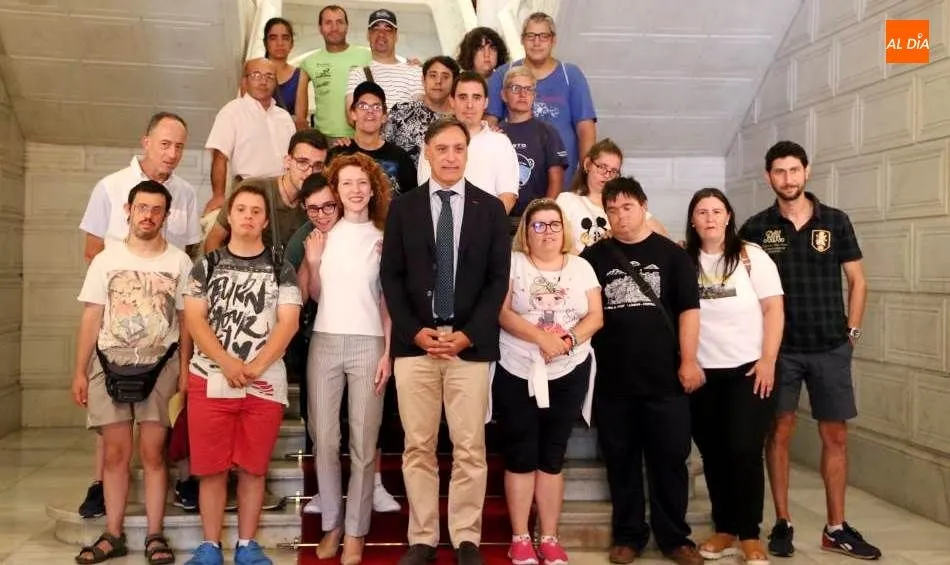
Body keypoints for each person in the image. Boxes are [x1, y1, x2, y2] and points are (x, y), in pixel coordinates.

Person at [380, 117, 511, 565]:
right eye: (443, 149)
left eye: (459, 148)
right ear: (427, 152)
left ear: (467, 152)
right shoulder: (404, 208)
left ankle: (466, 538)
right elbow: (390, 278)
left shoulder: (491, 209)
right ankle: (422, 538)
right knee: (417, 446)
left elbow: (498, 281)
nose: (451, 157)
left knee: (469, 447)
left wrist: (467, 334)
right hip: (415, 345)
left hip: (468, 347)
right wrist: (414, 330)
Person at [739, 141, 877, 560]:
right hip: (779, 351)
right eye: (779, 172)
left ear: (807, 171)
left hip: (830, 348)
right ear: (769, 177)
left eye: (794, 170)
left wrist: (851, 334)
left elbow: (858, 281)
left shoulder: (835, 221)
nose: (788, 179)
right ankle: (783, 522)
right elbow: (741, 288)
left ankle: (835, 527)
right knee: (778, 433)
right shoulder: (756, 228)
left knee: (835, 435)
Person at [77, 111, 201, 520]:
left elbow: (191, 255)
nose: (172, 153)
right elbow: (92, 249)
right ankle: (100, 487)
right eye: (165, 144)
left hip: (165, 336)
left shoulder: (184, 192)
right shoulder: (110, 187)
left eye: (180, 146)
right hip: (117, 322)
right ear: (146, 142)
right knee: (112, 429)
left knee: (157, 432)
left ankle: (170, 494)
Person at [580, 177, 703, 565]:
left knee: (670, 461)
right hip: (614, 382)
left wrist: (688, 359)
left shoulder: (673, 256)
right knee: (621, 462)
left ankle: (675, 538)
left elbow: (689, 312)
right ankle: (629, 536)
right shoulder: (593, 259)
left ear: (643, 206)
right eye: (611, 210)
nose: (619, 216)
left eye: (627, 207)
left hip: (666, 380)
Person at [71, 180, 193, 565]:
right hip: (108, 364)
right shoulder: (106, 259)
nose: (148, 215)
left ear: (166, 215)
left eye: (157, 209)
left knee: (154, 454)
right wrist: (79, 370)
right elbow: (91, 315)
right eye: (142, 207)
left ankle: (155, 534)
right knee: (116, 454)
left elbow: (187, 320)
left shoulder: (179, 262)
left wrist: (186, 369)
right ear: (128, 209)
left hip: (162, 366)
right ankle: (114, 533)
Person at [182, 185, 302, 565]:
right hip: (209, 376)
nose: (248, 216)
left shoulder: (280, 266)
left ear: (265, 221)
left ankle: (248, 545)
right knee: (212, 468)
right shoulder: (207, 264)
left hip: (263, 381)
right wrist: (227, 363)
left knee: (253, 466)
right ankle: (210, 546)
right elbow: (195, 319)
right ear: (229, 217)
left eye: (256, 211)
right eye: (241, 210)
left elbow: (288, 323)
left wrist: (254, 366)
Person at [496, 198, 603, 565]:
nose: (546, 232)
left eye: (553, 224)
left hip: (568, 369)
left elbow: (595, 315)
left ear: (564, 229)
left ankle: (550, 536)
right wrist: (540, 338)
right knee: (522, 452)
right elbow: (503, 311)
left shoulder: (582, 266)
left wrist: (566, 341)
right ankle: (520, 537)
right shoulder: (514, 264)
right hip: (518, 368)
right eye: (537, 225)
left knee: (553, 454)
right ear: (526, 230)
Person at [684, 188, 784, 565]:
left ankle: (749, 533)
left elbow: (774, 308)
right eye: (702, 212)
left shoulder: (752, 257)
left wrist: (769, 360)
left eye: (717, 211)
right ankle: (724, 527)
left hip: (749, 371)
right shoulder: (685, 260)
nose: (710, 218)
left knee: (744, 451)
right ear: (693, 220)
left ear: (728, 217)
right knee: (713, 453)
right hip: (702, 375)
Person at [305, 153, 392, 564]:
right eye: (346, 183)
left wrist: (388, 354)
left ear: (372, 188)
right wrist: (315, 262)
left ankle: (356, 531)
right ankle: (331, 525)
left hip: (369, 343)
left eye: (362, 182)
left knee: (363, 442)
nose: (355, 190)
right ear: (335, 191)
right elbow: (316, 296)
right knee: (324, 438)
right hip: (324, 342)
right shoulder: (322, 233)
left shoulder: (384, 237)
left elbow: (389, 303)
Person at [486, 12, 597, 190]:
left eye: (543, 36)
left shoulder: (571, 75)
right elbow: (489, 123)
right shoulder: (503, 74)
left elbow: (586, 128)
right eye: (531, 36)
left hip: (564, 184)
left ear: (553, 40)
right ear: (522, 40)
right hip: (511, 184)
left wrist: (586, 176)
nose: (536, 43)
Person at [204, 129, 328, 253]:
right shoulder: (253, 189)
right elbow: (214, 240)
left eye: (317, 166)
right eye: (302, 162)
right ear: (287, 161)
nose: (309, 172)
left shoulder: (316, 205)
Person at [204, 57, 297, 214]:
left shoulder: (284, 117)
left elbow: (295, 157)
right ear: (245, 81)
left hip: (284, 192)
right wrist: (218, 195)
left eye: (269, 76)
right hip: (248, 191)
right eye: (256, 75)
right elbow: (220, 156)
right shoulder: (232, 111)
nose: (263, 81)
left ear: (275, 83)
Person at [417, 72, 519, 214]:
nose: (469, 105)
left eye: (476, 97)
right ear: (452, 101)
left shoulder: (501, 143)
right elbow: (426, 191)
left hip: (486, 230)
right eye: (463, 97)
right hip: (441, 227)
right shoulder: (434, 140)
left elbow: (507, 197)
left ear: (486, 102)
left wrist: (482, 228)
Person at [556, 139, 668, 253]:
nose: (607, 175)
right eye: (602, 167)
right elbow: (559, 243)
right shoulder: (567, 200)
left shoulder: (622, 204)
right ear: (587, 164)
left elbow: (661, 235)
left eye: (613, 171)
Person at [499, 66, 568, 225]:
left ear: (534, 95)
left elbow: (556, 181)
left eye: (528, 89)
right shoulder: (495, 133)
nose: (523, 94)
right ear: (504, 94)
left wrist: (542, 217)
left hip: (534, 220)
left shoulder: (547, 133)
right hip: (500, 219)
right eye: (516, 88)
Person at [329, 81, 417, 197]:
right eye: (363, 106)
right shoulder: (338, 154)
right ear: (353, 114)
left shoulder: (400, 157)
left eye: (376, 107)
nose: (370, 111)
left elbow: (411, 199)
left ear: (384, 117)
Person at [299, 4, 372, 141]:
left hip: (360, 137)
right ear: (320, 28)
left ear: (347, 26)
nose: (334, 28)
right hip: (324, 139)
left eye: (339, 22)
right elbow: (300, 112)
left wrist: (414, 65)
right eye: (328, 23)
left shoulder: (366, 56)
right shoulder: (309, 62)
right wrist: (302, 124)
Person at [344, 9, 423, 117]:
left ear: (396, 36)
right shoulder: (357, 74)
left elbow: (420, 115)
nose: (381, 34)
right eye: (376, 28)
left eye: (388, 29)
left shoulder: (415, 72)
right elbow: (351, 117)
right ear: (368, 35)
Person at [384, 55, 459, 165]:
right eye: (433, 76)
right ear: (423, 80)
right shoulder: (401, 111)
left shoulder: (459, 120)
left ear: (454, 83)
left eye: (445, 76)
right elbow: (380, 148)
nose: (438, 81)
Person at [262, 17, 309, 130]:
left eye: (285, 38)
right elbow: (246, 113)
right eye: (273, 38)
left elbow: (300, 121)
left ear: (291, 43)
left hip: (288, 138)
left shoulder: (300, 75)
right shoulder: (253, 71)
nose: (280, 43)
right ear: (265, 43)